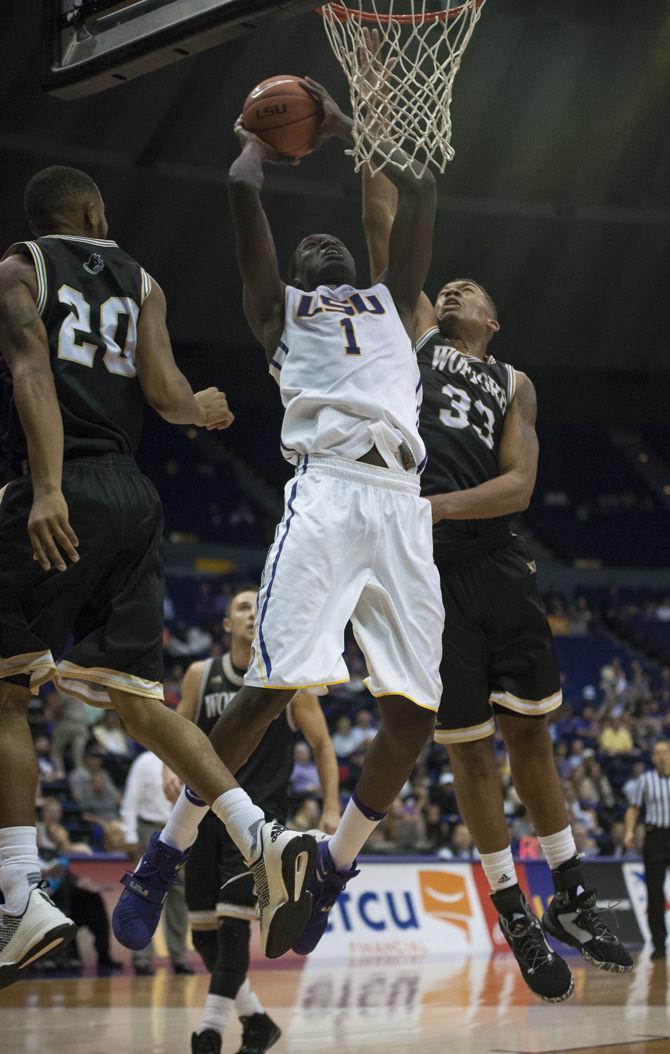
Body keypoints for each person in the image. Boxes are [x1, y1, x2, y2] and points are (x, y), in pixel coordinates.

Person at [123, 79, 444, 960]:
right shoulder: (278, 313)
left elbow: (419, 196)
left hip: (403, 504)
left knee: (417, 713)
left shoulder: (393, 300)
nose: (322, 240)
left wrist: (352, 135)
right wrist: (258, 142)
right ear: (294, 278)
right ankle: (168, 851)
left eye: (332, 239)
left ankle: (333, 871)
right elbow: (240, 192)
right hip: (330, 491)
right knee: (266, 691)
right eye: (308, 245)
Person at [359, 49, 632, 997]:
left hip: (490, 555)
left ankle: (568, 889)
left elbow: (518, 488)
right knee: (467, 751)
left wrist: (431, 503)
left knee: (532, 740)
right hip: (426, 574)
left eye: (477, 290)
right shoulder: (421, 339)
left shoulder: (516, 381)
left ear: (498, 320)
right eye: (452, 287)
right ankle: (510, 909)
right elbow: (390, 250)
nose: (460, 290)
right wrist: (377, 139)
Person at [0, 166, 314, 988]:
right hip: (138, 499)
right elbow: (168, 394)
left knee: (4, 693)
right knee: (140, 702)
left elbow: (32, 370)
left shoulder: (20, 268)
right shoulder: (143, 281)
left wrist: (44, 488)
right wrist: (202, 407)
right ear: (97, 214)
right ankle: (262, 838)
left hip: (63, 484)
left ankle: (15, 890)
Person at [175, 586, 340, 1054]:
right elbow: (180, 732)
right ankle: (258, 1024)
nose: (251, 613)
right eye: (242, 607)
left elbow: (324, 745)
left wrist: (330, 806)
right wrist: (172, 774)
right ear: (226, 624)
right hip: (204, 817)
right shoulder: (199, 674)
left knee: (232, 931)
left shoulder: (289, 682)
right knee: (205, 935)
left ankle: (209, 1031)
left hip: (258, 825)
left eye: (257, 606)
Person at [120, 748, 192, 977]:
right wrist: (130, 835)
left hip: (180, 829)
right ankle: (141, 957)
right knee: (143, 892)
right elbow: (131, 800)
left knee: (179, 896)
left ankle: (179, 955)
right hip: (149, 828)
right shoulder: (144, 761)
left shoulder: (185, 759)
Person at [624, 740, 670, 960]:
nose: (661, 757)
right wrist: (629, 832)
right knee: (654, 891)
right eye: (657, 753)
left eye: (665, 753)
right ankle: (658, 943)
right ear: (652, 758)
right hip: (655, 837)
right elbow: (633, 809)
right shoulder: (645, 780)